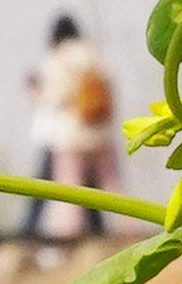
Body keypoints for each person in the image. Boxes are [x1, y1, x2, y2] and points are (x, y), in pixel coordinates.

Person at [25, 14, 119, 241]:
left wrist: (36, 92)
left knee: (70, 191)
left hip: (71, 137)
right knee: (113, 187)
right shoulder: (94, 54)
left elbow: (55, 97)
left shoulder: (58, 59)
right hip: (100, 134)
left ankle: (69, 239)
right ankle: (127, 232)